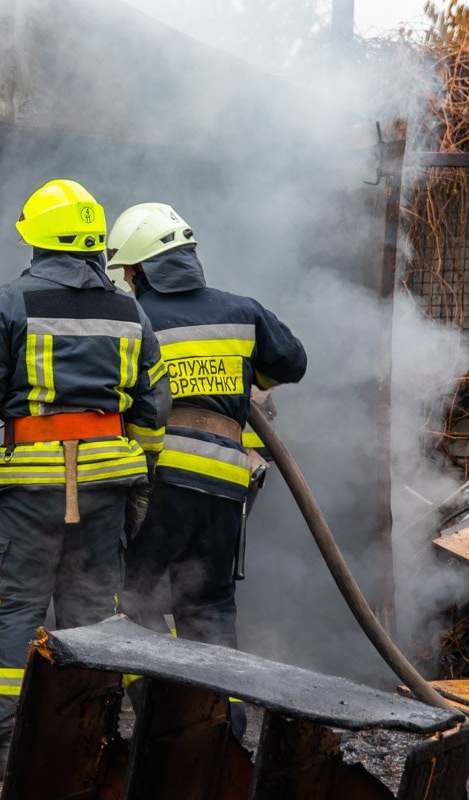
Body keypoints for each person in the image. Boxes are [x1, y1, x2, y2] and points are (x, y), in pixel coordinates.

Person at [0, 180, 170, 778]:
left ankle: (1, 747)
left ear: (38, 241)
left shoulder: (6, 304)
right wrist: (139, 484)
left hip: (29, 489)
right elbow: (153, 410)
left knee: (17, 605)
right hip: (106, 485)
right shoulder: (131, 310)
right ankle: (86, 741)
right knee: (93, 613)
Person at [109, 202, 307, 732]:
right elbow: (292, 362)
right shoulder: (242, 312)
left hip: (158, 487)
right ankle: (226, 733)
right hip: (223, 490)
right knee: (210, 609)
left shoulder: (134, 318)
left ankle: (162, 727)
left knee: (133, 605)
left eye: (126, 270)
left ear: (139, 269)